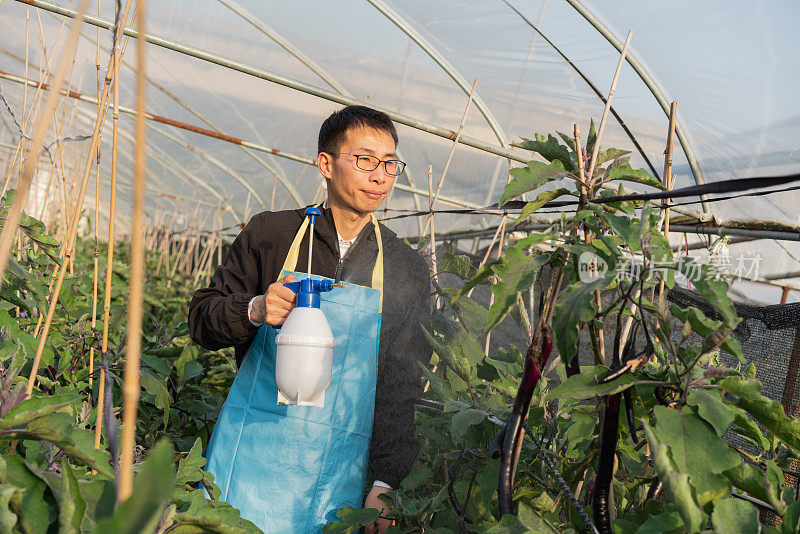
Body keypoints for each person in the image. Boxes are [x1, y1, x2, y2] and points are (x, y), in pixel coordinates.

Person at [188, 105, 431, 533]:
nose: (381, 176)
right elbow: (202, 319)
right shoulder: (272, 234)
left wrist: (386, 480)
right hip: (254, 454)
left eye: (391, 163)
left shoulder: (402, 265)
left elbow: (402, 380)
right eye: (366, 160)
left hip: (340, 469)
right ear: (326, 164)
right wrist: (253, 309)